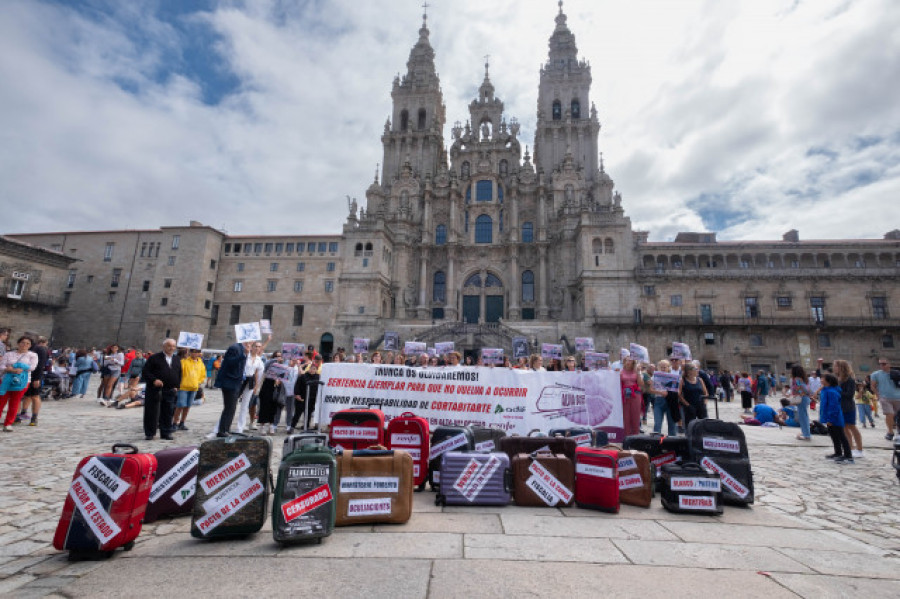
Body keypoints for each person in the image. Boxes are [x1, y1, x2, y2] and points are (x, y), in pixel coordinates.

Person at [141, 339, 181, 441]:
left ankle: (166, 432)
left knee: (168, 412)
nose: (171, 348)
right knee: (152, 412)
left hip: (170, 389)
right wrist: (154, 380)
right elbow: (146, 372)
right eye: (169, 346)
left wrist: (177, 386)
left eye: (173, 346)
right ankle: (150, 433)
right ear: (164, 346)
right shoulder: (154, 358)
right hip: (155, 389)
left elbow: (179, 373)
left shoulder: (177, 359)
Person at [0, 336, 38, 432]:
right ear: (18, 343)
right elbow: (2, 365)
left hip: (22, 381)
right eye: (23, 342)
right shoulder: (9, 354)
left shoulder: (32, 355)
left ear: (30, 345)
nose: (24, 345)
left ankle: (8, 423)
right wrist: (8, 369)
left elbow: (32, 367)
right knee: (1, 401)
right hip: (6, 380)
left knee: (14, 402)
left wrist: (21, 368)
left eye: (27, 343)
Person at [213, 340, 250, 437]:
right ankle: (222, 430)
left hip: (236, 383)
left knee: (232, 408)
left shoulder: (242, 349)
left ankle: (225, 429)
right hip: (230, 382)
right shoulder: (235, 348)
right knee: (229, 407)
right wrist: (244, 355)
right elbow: (230, 362)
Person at [833, 359, 862, 458]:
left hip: (848, 407)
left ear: (841, 367)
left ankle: (860, 449)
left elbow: (850, 394)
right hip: (840, 407)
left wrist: (837, 391)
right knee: (845, 429)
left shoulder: (849, 379)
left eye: (836, 366)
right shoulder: (837, 379)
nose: (834, 368)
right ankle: (851, 448)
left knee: (852, 427)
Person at [820, 373, 852, 464]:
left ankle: (848, 455)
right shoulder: (827, 390)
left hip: (835, 419)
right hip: (830, 418)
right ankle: (838, 453)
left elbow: (834, 407)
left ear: (828, 381)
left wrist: (830, 419)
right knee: (834, 436)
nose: (821, 380)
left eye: (823, 378)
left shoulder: (832, 392)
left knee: (841, 436)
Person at [18, 336, 49, 426]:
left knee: (35, 395)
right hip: (22, 376)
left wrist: (37, 378)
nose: (25, 344)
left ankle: (34, 417)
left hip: (34, 376)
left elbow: (40, 365)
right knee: (25, 395)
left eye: (27, 343)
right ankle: (22, 413)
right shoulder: (23, 349)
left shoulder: (40, 349)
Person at [174, 348, 205, 431]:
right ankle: (174, 422)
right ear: (190, 352)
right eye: (193, 352)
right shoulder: (184, 361)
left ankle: (182, 422)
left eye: (197, 352)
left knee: (188, 406)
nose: (195, 354)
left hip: (194, 387)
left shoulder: (200, 363)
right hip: (184, 386)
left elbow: (202, 374)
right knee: (180, 405)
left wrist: (199, 382)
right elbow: (178, 372)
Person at [871, 357, 900, 441]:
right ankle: (890, 432)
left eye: (884, 364)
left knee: (898, 415)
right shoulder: (876, 374)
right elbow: (873, 385)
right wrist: (878, 395)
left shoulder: (896, 373)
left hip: (898, 397)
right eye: (880, 364)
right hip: (885, 397)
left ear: (889, 364)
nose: (882, 365)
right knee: (889, 414)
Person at [678, 362, 709, 430]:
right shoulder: (683, 380)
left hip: (700, 405)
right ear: (689, 371)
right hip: (689, 405)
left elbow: (705, 392)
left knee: (705, 424)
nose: (698, 370)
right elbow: (679, 394)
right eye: (696, 369)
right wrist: (687, 405)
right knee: (690, 426)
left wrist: (705, 402)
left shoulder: (700, 380)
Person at [620, 357, 643, 436]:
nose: (628, 362)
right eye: (626, 360)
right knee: (625, 417)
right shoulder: (620, 371)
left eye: (630, 360)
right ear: (624, 361)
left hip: (635, 394)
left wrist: (639, 372)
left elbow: (641, 384)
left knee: (635, 416)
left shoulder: (636, 371)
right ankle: (626, 437)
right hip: (624, 395)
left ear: (633, 362)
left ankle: (635, 437)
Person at [790, 365, 812, 440]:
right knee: (804, 416)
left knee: (803, 417)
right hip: (805, 398)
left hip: (802, 398)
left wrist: (799, 392)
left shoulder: (797, 379)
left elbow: (801, 388)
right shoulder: (804, 379)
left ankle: (806, 435)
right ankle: (806, 433)